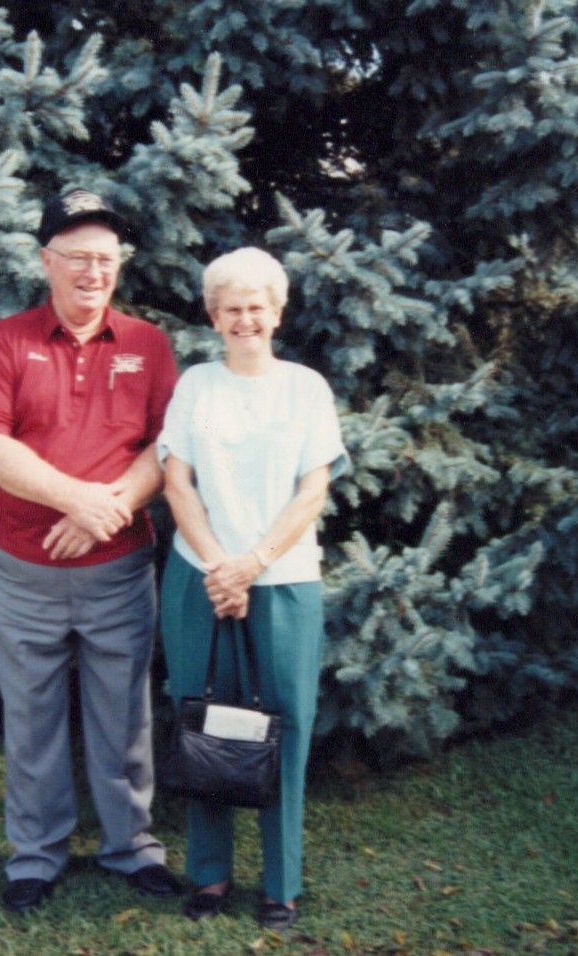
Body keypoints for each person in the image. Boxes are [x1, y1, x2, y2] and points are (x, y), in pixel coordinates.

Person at [0, 188, 183, 914]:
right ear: (46, 261)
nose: (94, 271)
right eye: (78, 257)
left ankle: (133, 848)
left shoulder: (148, 344)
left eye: (106, 258)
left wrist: (106, 511)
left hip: (119, 568)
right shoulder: (6, 341)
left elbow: (168, 445)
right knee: (32, 721)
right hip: (23, 568)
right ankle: (35, 857)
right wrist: (74, 500)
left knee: (124, 717)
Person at [156, 246, 347, 930]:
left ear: (278, 311)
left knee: (285, 727)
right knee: (203, 718)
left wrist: (253, 564)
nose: (245, 319)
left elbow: (313, 489)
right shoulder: (196, 385)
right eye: (231, 308)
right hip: (200, 579)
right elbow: (177, 482)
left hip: (284, 580)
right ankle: (209, 874)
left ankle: (280, 884)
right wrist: (220, 568)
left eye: (257, 307)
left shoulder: (306, 388)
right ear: (213, 316)